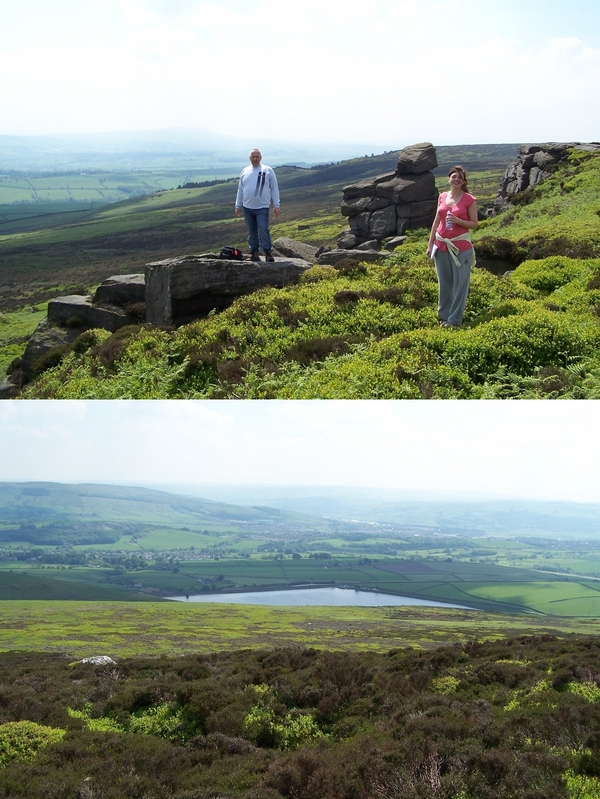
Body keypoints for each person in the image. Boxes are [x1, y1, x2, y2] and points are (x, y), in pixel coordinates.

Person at [426, 165, 478, 328]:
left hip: (460, 248)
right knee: (445, 282)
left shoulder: (469, 199)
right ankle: (443, 316)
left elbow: (474, 224)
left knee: (460, 284)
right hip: (441, 246)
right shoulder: (442, 196)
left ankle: (454, 321)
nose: (456, 179)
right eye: (454, 176)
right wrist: (430, 244)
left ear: (463, 182)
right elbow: (436, 222)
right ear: (449, 179)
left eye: (460, 178)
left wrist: (458, 221)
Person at [235, 149, 280, 262]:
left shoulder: (268, 170)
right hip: (247, 207)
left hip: (262, 207)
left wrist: (276, 205)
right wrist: (237, 205)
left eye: (257, 156)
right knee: (251, 231)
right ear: (250, 158)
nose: (255, 159)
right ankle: (254, 252)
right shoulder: (245, 171)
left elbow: (274, 188)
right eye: (253, 156)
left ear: (261, 158)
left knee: (263, 229)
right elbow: (240, 189)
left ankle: (267, 252)